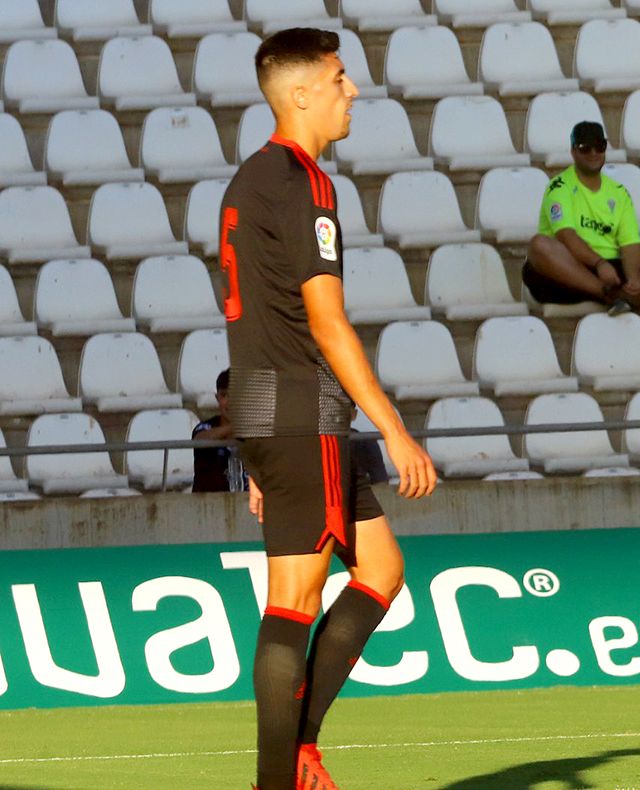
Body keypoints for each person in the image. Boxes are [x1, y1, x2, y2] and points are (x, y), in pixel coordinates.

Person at [220, 28, 436, 790]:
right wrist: (395, 428)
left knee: (380, 568)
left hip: (272, 409)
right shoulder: (306, 182)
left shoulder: (249, 178)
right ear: (303, 91)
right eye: (341, 79)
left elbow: (250, 319)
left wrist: (258, 443)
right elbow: (326, 320)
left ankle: (301, 746)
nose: (353, 92)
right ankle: (276, 781)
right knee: (293, 599)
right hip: (303, 411)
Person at [523, 121, 640, 338]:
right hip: (569, 269)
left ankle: (636, 350)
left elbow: (630, 243)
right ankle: (606, 294)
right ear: (573, 151)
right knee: (539, 245)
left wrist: (633, 276)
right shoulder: (559, 187)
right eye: (585, 148)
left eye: (599, 146)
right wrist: (599, 264)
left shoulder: (618, 192)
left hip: (612, 271)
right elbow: (566, 237)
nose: (593, 153)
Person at [191, 368, 249, 492]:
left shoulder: (256, 431)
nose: (230, 403)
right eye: (224, 395)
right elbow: (199, 440)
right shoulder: (206, 427)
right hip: (210, 507)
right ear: (217, 398)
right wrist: (234, 427)